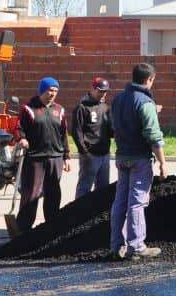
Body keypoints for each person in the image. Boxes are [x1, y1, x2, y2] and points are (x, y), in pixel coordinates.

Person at [109, 63, 167, 260]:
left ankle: (117, 246)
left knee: (120, 202)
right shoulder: (145, 102)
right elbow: (153, 135)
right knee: (137, 202)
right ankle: (136, 247)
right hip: (139, 159)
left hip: (122, 156)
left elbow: (120, 122)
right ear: (148, 80)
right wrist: (162, 163)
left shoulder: (118, 99)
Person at [15, 77, 71, 231]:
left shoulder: (59, 110)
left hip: (55, 157)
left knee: (53, 193)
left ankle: (51, 227)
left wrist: (66, 156)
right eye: (49, 90)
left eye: (55, 91)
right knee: (31, 194)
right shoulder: (28, 109)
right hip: (35, 158)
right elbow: (18, 128)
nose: (52, 93)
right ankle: (23, 228)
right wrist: (22, 139)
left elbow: (63, 134)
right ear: (42, 90)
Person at [72, 77, 113, 199]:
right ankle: (79, 214)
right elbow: (76, 132)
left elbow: (109, 131)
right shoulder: (82, 107)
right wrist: (84, 152)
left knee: (103, 188)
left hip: (104, 154)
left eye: (105, 91)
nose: (103, 94)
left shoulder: (105, 107)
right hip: (90, 155)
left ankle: (97, 216)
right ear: (92, 89)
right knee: (84, 188)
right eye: (100, 91)